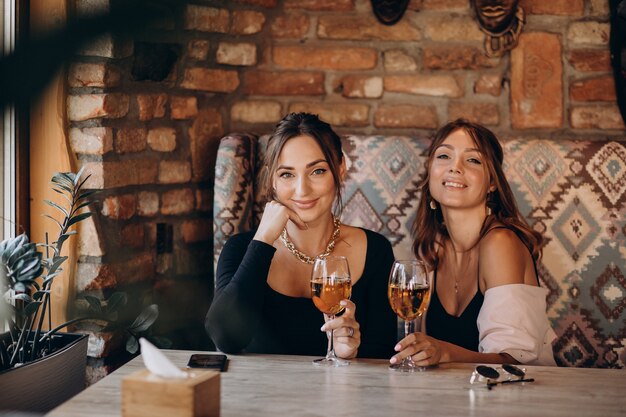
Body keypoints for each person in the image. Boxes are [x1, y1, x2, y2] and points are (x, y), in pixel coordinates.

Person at [206, 112, 397, 359]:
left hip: (343, 396)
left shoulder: (375, 250)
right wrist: (263, 239)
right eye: (286, 174)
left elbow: (383, 353)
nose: (302, 189)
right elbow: (225, 338)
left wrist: (351, 353)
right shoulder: (241, 248)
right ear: (272, 179)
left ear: (340, 170)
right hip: (257, 395)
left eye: (317, 171)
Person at [391, 119, 556, 367]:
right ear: (430, 172)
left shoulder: (500, 243)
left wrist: (444, 352)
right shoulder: (433, 247)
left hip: (517, 398)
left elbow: (513, 361)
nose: (455, 168)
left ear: (491, 183)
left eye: (473, 160)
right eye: (444, 156)